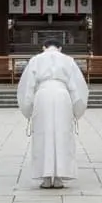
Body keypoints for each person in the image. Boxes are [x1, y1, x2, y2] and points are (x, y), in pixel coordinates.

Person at [17, 37, 88, 189]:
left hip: (42, 95)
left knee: (43, 134)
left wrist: (28, 108)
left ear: (44, 47)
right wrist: (77, 110)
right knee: (62, 134)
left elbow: (28, 86)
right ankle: (60, 178)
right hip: (63, 95)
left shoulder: (36, 60)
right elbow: (77, 86)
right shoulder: (68, 60)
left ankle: (46, 178)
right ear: (60, 48)